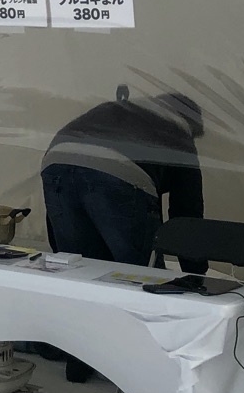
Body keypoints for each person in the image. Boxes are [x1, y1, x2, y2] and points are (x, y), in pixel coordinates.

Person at [40, 92, 205, 266]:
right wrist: (195, 273)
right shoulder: (179, 135)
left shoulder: (114, 109)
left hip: (57, 161)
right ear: (192, 125)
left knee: (79, 267)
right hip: (117, 172)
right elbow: (187, 212)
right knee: (140, 276)